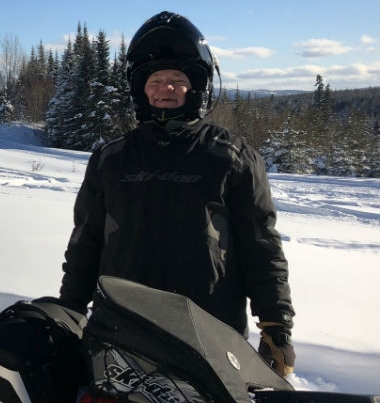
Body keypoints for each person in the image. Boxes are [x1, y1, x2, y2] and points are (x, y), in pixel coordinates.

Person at [57, 11, 296, 377]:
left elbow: (260, 244)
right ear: (141, 88)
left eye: (176, 80)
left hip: (209, 334)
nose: (165, 88)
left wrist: (276, 326)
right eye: (156, 80)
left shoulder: (230, 156)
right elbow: (86, 242)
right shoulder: (111, 158)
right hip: (120, 330)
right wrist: (70, 309)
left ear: (195, 86)